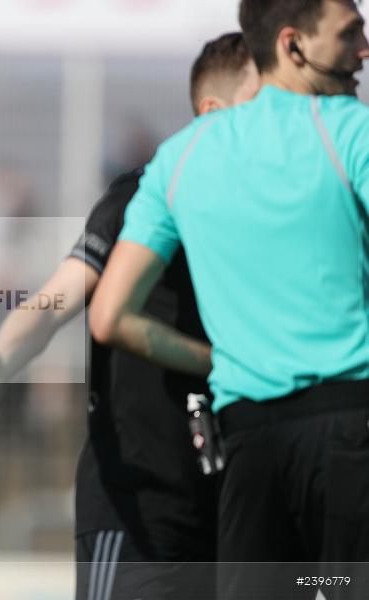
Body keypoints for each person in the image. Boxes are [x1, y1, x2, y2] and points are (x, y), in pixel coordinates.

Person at [0, 33, 260, 600]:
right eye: (265, 104)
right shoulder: (139, 199)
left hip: (238, 515)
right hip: (139, 515)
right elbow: (56, 300)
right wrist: (5, 356)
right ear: (216, 112)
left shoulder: (282, 212)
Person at [88, 1, 369, 598]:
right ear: (293, 45)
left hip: (251, 450)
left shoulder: (185, 153)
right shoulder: (350, 130)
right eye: (351, 35)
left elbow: (110, 315)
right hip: (350, 436)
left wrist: (221, 360)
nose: (364, 51)